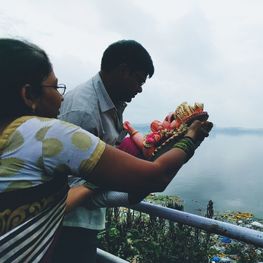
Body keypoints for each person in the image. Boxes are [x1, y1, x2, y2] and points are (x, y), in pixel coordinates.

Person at [0, 38, 212, 262]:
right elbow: (154, 178)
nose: (62, 96)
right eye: (55, 87)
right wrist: (189, 139)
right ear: (28, 95)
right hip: (68, 229)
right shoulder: (56, 130)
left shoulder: (14, 136)